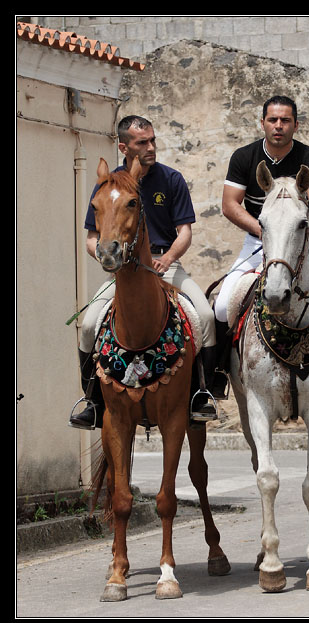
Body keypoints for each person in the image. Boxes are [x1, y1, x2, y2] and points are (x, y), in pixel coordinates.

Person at [213, 95, 309, 395]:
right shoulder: (243, 158)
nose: (278, 126)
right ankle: (219, 373)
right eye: (273, 120)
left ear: (295, 125)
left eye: (285, 120)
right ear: (262, 123)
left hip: (303, 241)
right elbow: (229, 205)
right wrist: (263, 233)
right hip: (258, 241)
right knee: (222, 305)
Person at [69, 115, 219, 429]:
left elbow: (185, 231)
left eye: (152, 140)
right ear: (124, 146)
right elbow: (92, 238)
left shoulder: (171, 179)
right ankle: (92, 401)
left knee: (204, 316)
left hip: (167, 264)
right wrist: (105, 257)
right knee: (87, 326)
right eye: (142, 143)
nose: (151, 147)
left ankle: (204, 393)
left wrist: (168, 259)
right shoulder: (108, 183)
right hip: (123, 272)